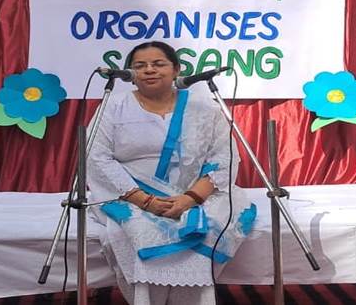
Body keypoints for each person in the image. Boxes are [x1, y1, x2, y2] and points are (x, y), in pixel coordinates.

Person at [88, 41, 256, 305]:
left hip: (194, 194)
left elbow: (224, 157)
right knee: (138, 228)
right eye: (140, 66)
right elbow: (96, 157)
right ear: (130, 74)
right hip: (130, 195)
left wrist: (190, 199)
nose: (149, 70)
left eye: (158, 64)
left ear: (176, 69)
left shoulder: (204, 107)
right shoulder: (114, 106)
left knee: (206, 225)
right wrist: (146, 201)